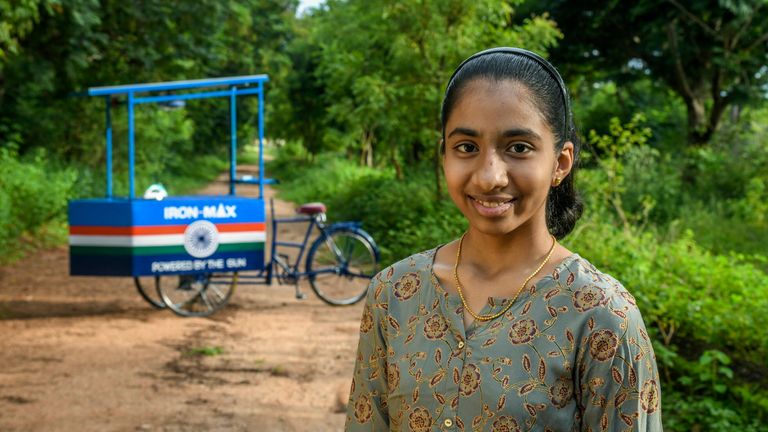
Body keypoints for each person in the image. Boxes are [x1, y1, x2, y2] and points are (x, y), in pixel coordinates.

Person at [345, 47, 662, 431]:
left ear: (560, 163)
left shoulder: (601, 316)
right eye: (467, 148)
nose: (489, 177)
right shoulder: (395, 294)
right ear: (444, 154)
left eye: (518, 148)